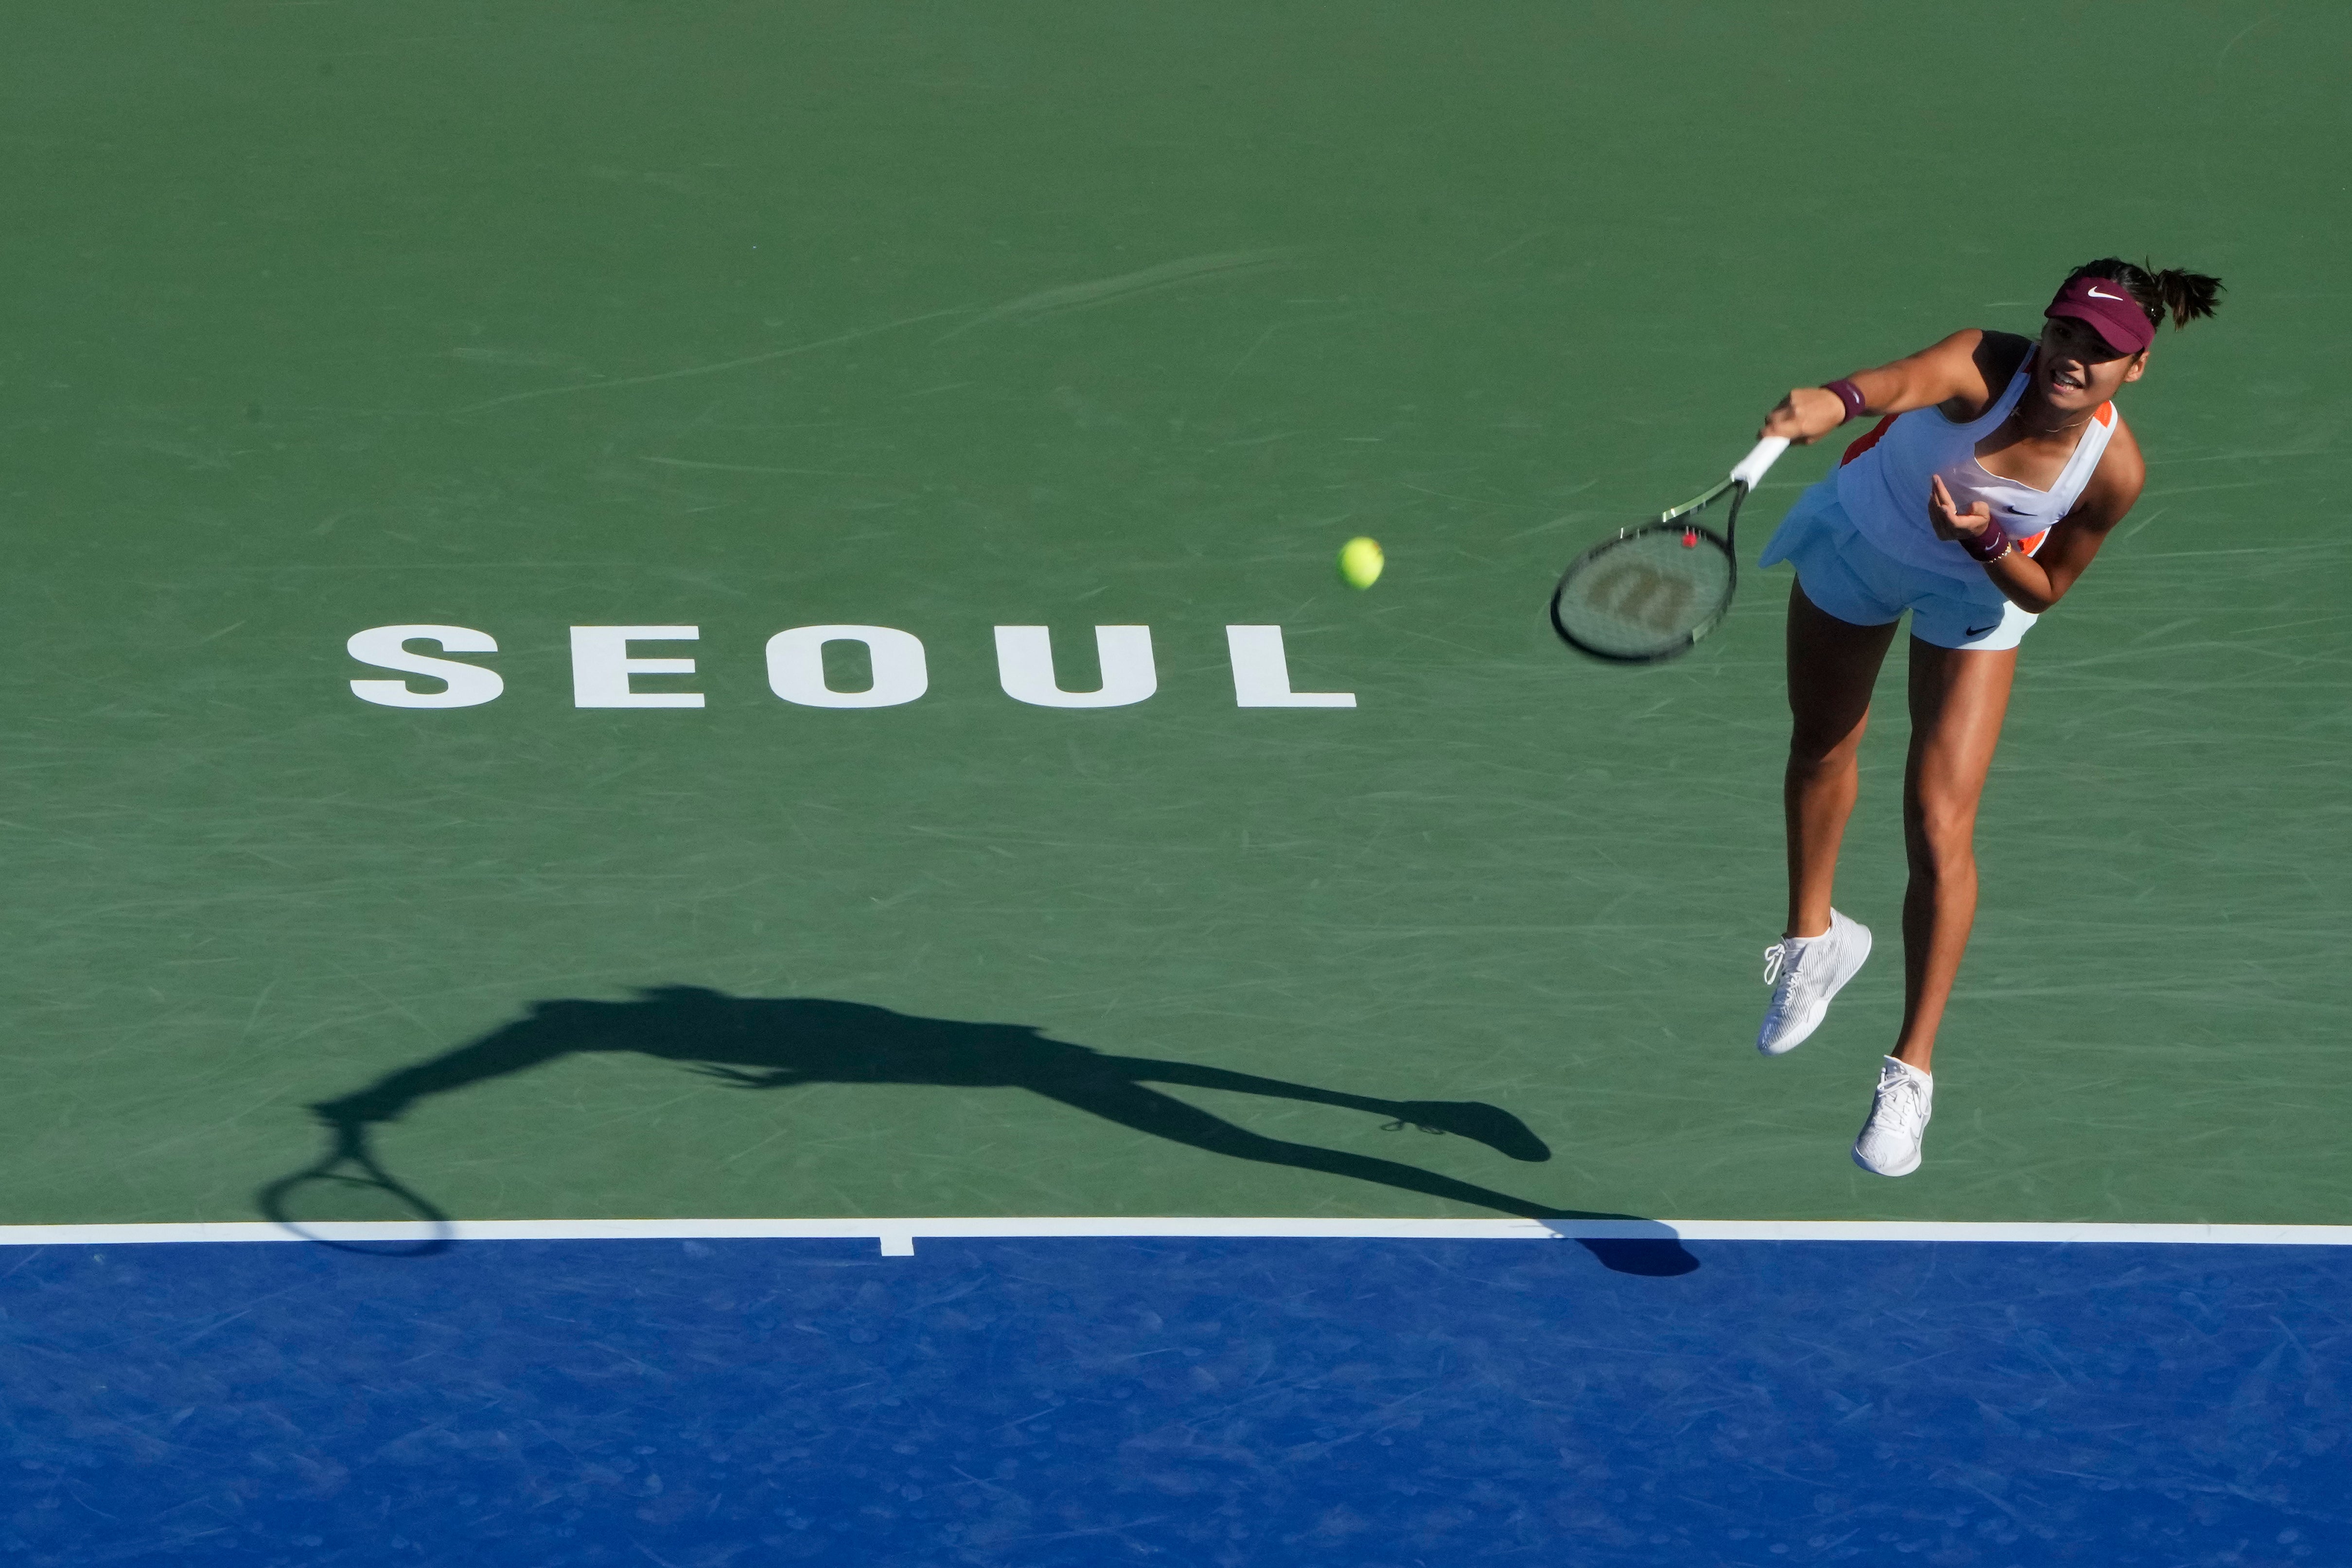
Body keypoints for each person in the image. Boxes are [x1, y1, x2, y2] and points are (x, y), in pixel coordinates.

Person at [1749, 259, 2222, 1177]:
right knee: (1820, 743)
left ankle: (1910, 1071)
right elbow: (1895, 385)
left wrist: (1985, 538)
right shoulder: (1982, 363)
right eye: (2065, 333)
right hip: (1861, 540)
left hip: (1977, 591)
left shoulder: (2111, 472)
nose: (2071, 358)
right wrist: (1835, 401)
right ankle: (1816, 938)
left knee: (1937, 822)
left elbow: (2042, 588)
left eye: (2102, 350)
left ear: (2136, 369)